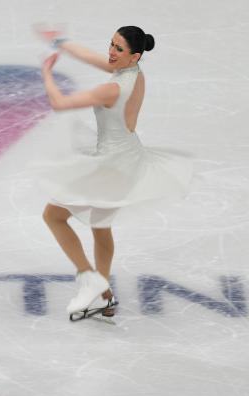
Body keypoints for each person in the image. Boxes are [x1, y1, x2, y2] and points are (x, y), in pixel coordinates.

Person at [36, 26, 192, 319]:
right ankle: (104, 296)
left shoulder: (113, 88)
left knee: (53, 215)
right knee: (100, 225)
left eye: (118, 49)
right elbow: (95, 59)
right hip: (128, 160)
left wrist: (46, 73)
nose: (111, 52)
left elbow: (60, 104)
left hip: (110, 166)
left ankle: (90, 278)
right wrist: (62, 42)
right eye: (111, 44)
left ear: (133, 56)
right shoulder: (136, 73)